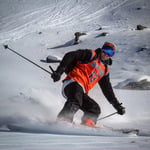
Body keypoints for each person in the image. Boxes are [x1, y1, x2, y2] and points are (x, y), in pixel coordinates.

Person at [51, 42, 125, 128]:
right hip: (72, 82)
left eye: (110, 53)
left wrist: (117, 106)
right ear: (101, 49)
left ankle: (87, 123)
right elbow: (70, 55)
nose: (106, 54)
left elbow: (107, 90)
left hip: (81, 91)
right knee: (76, 100)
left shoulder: (104, 70)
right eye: (106, 50)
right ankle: (63, 119)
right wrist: (59, 71)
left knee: (94, 109)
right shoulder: (91, 55)